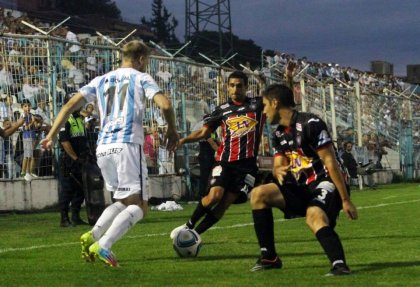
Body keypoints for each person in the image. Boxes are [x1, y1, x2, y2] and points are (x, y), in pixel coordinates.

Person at [41, 40, 178, 267]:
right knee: (141, 206)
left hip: (104, 148)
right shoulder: (141, 77)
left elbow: (68, 106)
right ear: (142, 59)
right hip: (127, 146)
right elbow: (165, 105)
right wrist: (172, 130)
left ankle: (93, 235)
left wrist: (51, 135)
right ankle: (104, 244)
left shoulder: (100, 80)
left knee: (122, 201)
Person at [249, 83, 358, 275]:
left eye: (265, 105)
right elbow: (279, 164)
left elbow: (331, 163)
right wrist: (278, 170)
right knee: (258, 194)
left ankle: (340, 265)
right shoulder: (279, 134)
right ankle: (269, 257)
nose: (263, 112)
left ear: (275, 103)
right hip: (301, 186)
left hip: (326, 182)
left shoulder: (311, 124)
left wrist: (345, 200)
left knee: (313, 215)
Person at [170, 70, 266, 240]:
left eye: (239, 86)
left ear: (245, 87)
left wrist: (286, 79)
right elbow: (203, 132)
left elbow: (280, 102)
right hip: (225, 161)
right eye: (232, 86)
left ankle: (194, 236)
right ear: (227, 88)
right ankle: (189, 225)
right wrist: (183, 140)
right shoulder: (222, 110)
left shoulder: (257, 105)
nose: (235, 89)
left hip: (247, 167)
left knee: (224, 204)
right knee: (214, 196)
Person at [57, 94, 90, 227]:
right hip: (69, 162)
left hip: (81, 160)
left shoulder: (80, 119)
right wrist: (75, 158)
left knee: (81, 189)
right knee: (68, 189)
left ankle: (76, 216)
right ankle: (64, 218)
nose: (79, 104)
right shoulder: (64, 119)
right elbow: (64, 142)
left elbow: (83, 139)